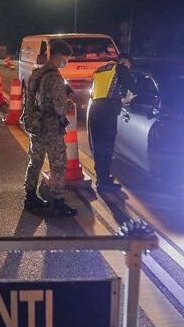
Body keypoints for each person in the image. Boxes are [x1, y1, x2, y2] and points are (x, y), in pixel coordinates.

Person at [21, 40, 78, 217]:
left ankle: (30, 197)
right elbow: (60, 108)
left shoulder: (36, 73)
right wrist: (69, 103)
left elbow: (29, 100)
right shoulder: (55, 77)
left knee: (35, 162)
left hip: (35, 125)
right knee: (58, 165)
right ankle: (58, 202)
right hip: (51, 128)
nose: (66, 62)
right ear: (59, 56)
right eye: (66, 59)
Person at [87, 52, 134, 191]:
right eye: (129, 66)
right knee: (107, 146)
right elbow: (133, 86)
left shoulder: (100, 70)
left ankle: (101, 178)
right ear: (125, 61)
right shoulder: (120, 68)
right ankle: (104, 182)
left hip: (95, 108)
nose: (128, 68)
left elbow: (99, 92)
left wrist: (118, 99)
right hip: (107, 111)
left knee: (98, 145)